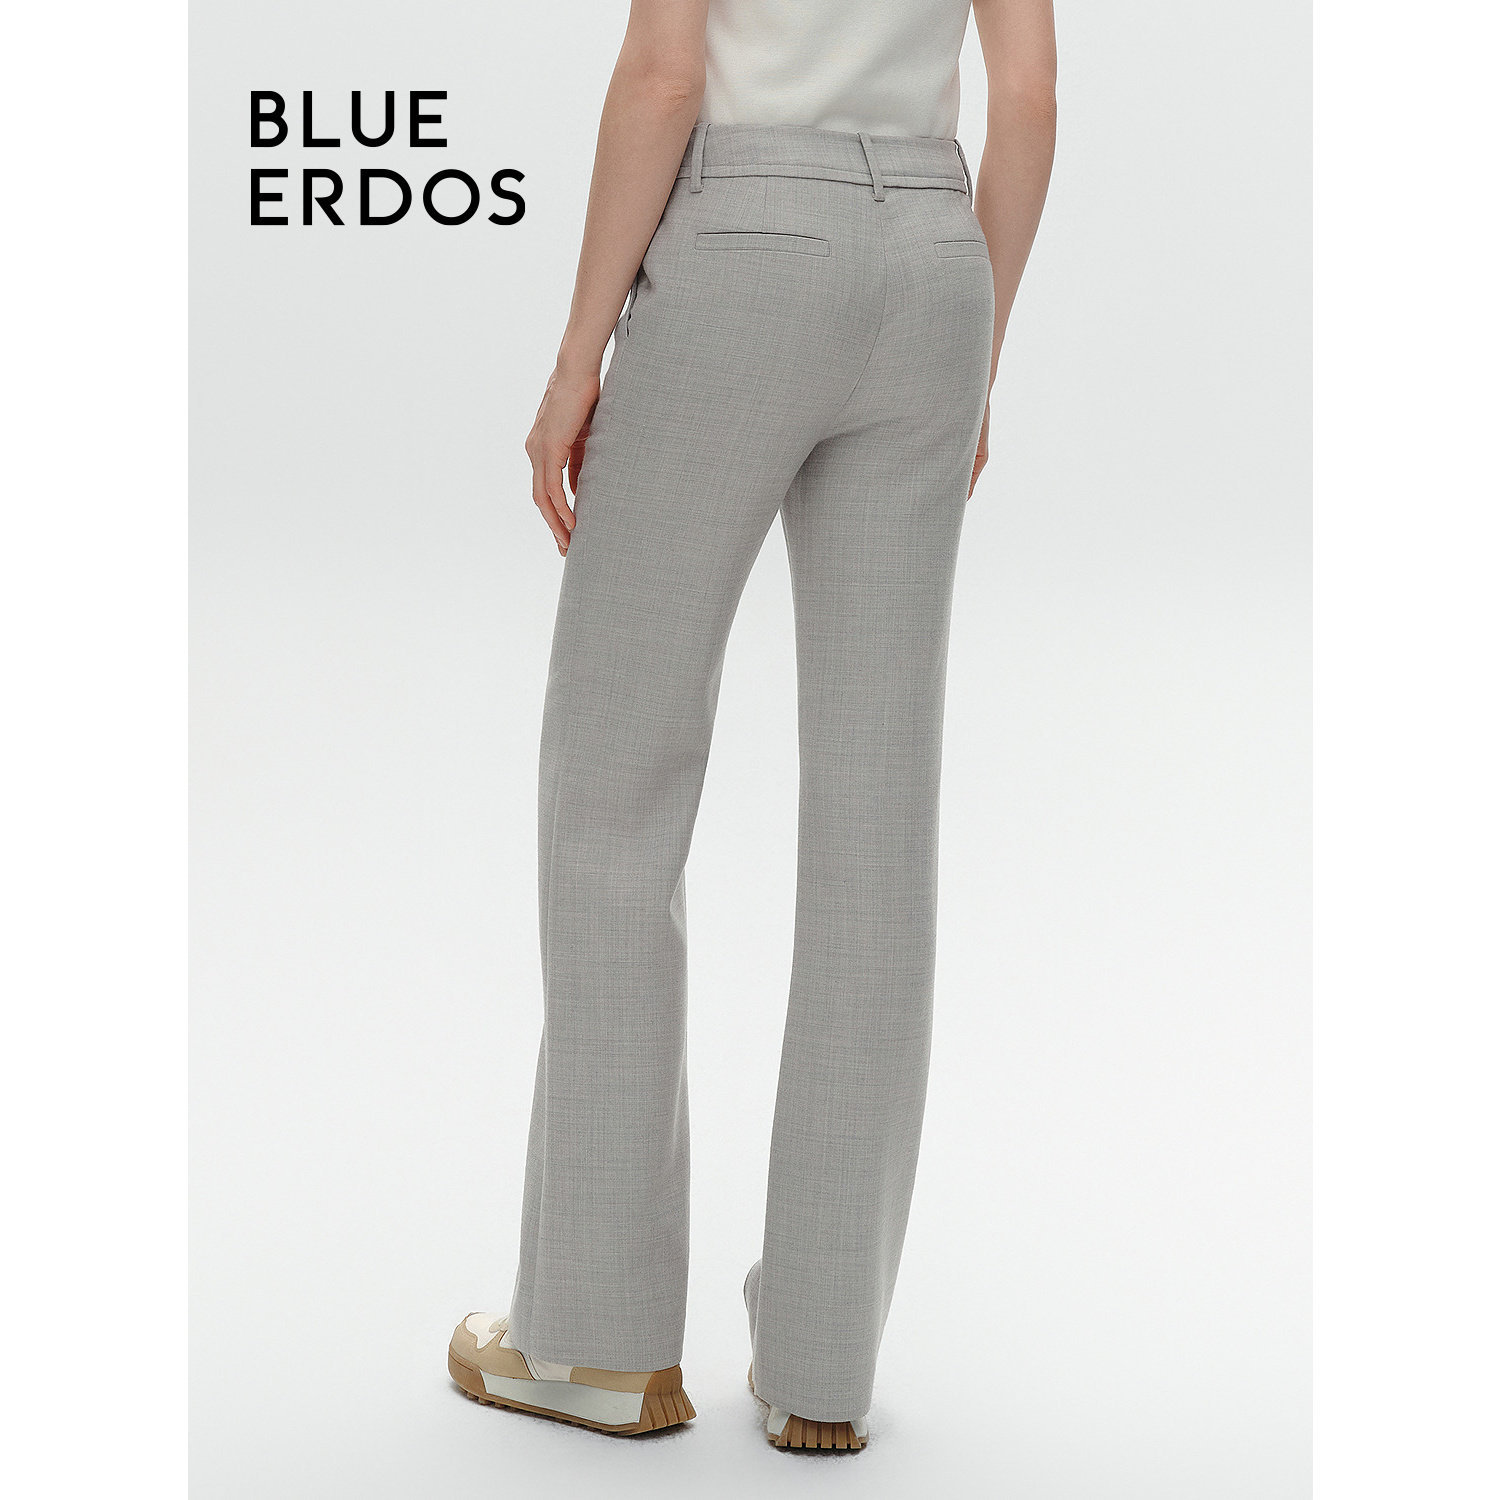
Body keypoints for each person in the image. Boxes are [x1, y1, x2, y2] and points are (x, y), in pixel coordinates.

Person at [447, 0, 1057, 1451]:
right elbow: (1026, 97)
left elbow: (665, 78)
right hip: (935, 259)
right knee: (876, 820)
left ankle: (595, 1340)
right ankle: (821, 1369)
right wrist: (973, 348)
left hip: (743, 251)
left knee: (615, 789)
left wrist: (576, 359)